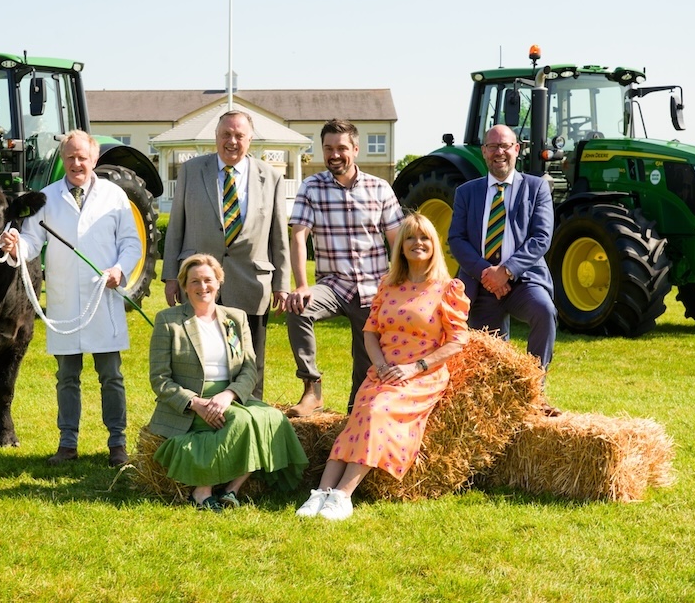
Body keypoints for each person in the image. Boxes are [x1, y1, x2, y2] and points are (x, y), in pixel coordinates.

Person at [296, 212, 470, 520]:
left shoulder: (447, 288)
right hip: (383, 369)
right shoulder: (388, 286)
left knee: (377, 411)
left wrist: (415, 367)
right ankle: (320, 493)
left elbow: (457, 341)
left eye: (425, 238)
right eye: (411, 238)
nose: (418, 243)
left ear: (434, 245)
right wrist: (379, 365)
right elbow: (371, 332)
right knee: (358, 416)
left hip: (421, 375)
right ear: (400, 246)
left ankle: (342, 495)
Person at [0, 130, 141, 468]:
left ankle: (117, 444)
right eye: (71, 157)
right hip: (65, 303)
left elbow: (132, 243)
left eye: (83, 157)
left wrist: (120, 270)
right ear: (62, 159)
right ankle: (68, 443)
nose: (77, 163)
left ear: (94, 159)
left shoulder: (115, 195)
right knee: (67, 376)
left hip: (102, 296)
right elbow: (32, 242)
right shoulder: (47, 198)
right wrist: (15, 246)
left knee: (111, 375)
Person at [147, 254, 308, 511]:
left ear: (219, 282)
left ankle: (231, 490)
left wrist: (229, 395)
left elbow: (248, 368)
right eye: (194, 281)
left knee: (274, 419)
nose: (202, 287)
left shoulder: (235, 317)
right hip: (191, 403)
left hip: (229, 397)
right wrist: (196, 404)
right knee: (241, 422)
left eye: (208, 280)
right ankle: (202, 492)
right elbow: (159, 379)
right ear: (184, 286)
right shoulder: (168, 321)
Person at [161, 110, 290, 400]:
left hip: (251, 283)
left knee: (250, 362)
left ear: (250, 139)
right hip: (198, 283)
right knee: (198, 358)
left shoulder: (270, 177)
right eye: (225, 135)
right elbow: (176, 227)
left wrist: (281, 284)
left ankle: (250, 419)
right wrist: (171, 276)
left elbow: (279, 235)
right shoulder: (192, 171)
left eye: (239, 135)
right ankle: (201, 417)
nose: (232, 141)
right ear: (216, 137)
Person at [285, 118, 404, 416]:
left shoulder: (380, 188)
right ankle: (312, 389)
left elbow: (398, 241)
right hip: (332, 286)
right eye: (328, 148)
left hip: (373, 289)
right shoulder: (311, 187)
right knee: (298, 308)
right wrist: (300, 286)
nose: (334, 155)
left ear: (355, 149)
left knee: (365, 370)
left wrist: (401, 286)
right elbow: (298, 235)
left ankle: (356, 414)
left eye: (341, 148)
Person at [447, 124, 557, 373]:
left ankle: (534, 391)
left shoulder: (536, 187)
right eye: (493, 146)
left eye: (505, 145)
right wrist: (487, 273)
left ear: (516, 149)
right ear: (484, 151)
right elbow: (457, 238)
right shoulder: (466, 192)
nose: (500, 152)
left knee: (544, 311)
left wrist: (506, 271)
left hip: (524, 280)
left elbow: (541, 237)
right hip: (481, 283)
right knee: (487, 358)